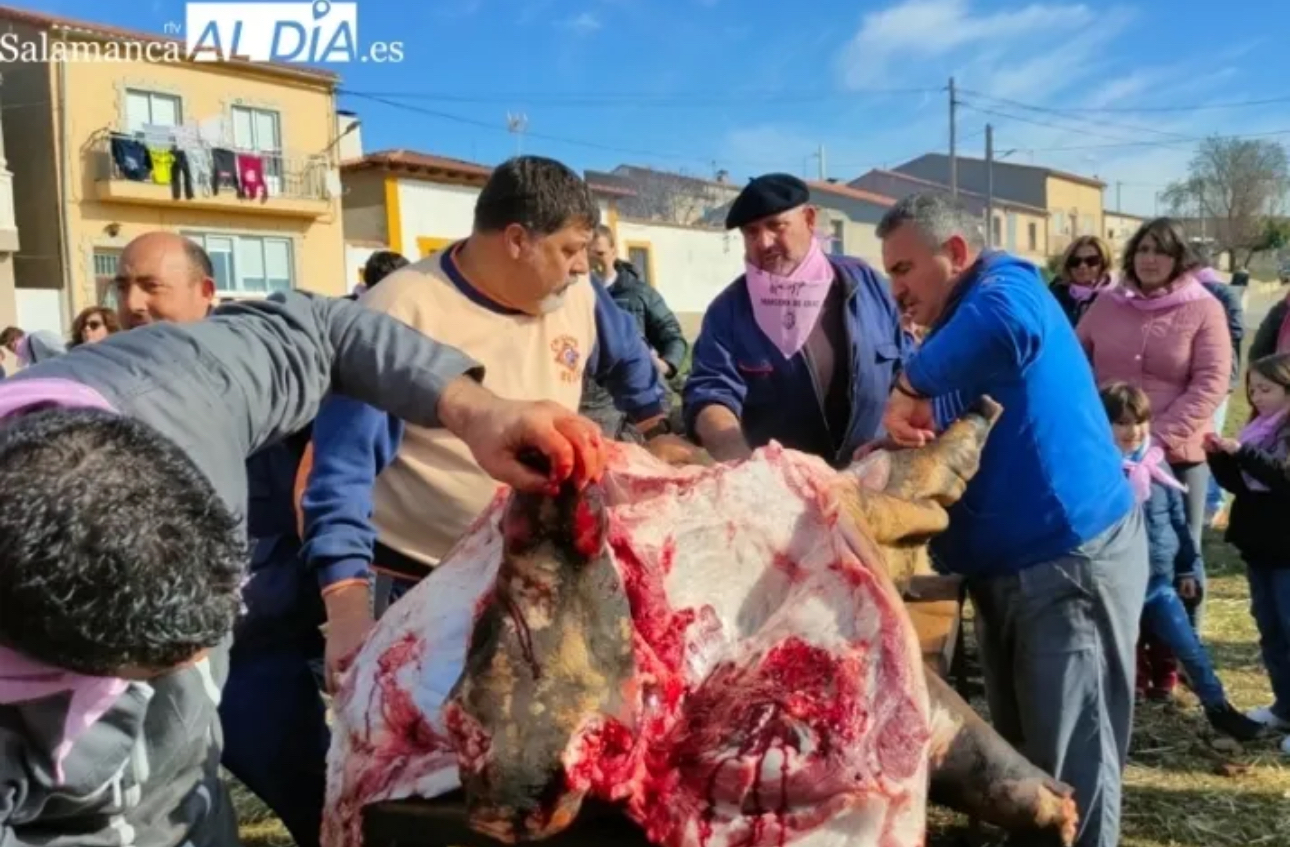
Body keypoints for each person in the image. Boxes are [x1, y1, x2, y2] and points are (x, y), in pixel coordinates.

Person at [0, 291, 608, 847]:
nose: (199, 663)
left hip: (188, 799)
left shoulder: (176, 390)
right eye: (161, 660)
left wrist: (475, 410)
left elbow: (325, 331)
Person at [300, 155, 677, 687]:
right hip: (421, 576)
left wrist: (657, 427)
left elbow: (627, 357)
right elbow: (339, 473)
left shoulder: (579, 295)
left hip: (535, 566)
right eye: (569, 251)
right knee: (428, 743)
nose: (581, 268)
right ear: (518, 240)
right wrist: (345, 606)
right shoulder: (398, 314)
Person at [875, 192, 1146, 847]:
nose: (897, 288)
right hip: (1010, 569)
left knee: (1073, 759)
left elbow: (1010, 326)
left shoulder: (1005, 285)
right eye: (890, 273)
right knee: (1025, 762)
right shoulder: (951, 328)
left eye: (906, 269)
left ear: (957, 254)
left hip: (1068, 562)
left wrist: (912, 386)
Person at [1076, 219, 1230, 664]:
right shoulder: (1106, 305)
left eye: (1160, 251)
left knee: (1180, 551)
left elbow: (1212, 381)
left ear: (1179, 258)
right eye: (1142, 249)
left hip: (1177, 456)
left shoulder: (1205, 308)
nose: (1149, 258)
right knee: (1109, 548)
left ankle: (1180, 656)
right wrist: (1097, 425)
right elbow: (1075, 361)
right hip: (1107, 455)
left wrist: (1157, 440)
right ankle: (1124, 654)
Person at [684, 173, 906, 466]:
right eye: (751, 232)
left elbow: (906, 369)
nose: (764, 242)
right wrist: (742, 462)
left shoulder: (867, 286)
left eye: (776, 226)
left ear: (809, 219)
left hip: (868, 477)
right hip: (782, 493)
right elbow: (711, 393)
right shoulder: (729, 311)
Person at [1101, 382, 1261, 738]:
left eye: (1140, 422)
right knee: (1117, 655)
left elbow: (1178, 522)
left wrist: (1187, 566)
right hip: (1116, 585)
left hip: (1158, 583)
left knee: (1189, 647)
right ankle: (1114, 722)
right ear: (1103, 425)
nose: (1133, 431)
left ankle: (1219, 708)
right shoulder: (1099, 473)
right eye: (1122, 423)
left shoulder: (1157, 468)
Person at [1206, 353, 1290, 754]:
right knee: (1271, 630)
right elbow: (1243, 484)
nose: (1257, 398)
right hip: (1261, 546)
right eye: (1253, 389)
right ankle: (1284, 707)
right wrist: (1219, 458)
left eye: (1267, 389)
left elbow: (1281, 478)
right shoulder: (1259, 428)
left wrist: (1241, 453)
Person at [580, 223, 688, 440]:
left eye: (600, 253)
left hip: (633, 398)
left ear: (613, 252)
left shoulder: (640, 293)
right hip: (589, 401)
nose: (594, 261)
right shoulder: (576, 293)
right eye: (587, 254)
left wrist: (666, 365)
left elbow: (672, 336)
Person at [1197, 266, 1245, 530]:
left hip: (1219, 378)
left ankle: (1214, 503)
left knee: (1210, 438)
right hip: (1193, 377)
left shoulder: (1221, 292)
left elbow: (1237, 332)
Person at [113, 231, 217, 328]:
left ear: (204, 292)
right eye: (122, 288)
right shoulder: (109, 346)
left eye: (152, 286)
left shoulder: (229, 346)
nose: (132, 304)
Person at [1049, 234, 1114, 325]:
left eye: (1091, 261)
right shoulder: (1053, 295)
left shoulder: (1115, 299)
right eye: (1075, 261)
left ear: (1104, 263)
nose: (1082, 266)